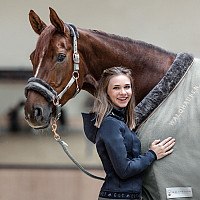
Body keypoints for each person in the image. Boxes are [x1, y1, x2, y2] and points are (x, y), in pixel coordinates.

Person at [82, 66, 175, 200]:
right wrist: (153, 154)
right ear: (106, 92)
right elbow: (124, 170)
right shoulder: (110, 124)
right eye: (116, 88)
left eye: (127, 87)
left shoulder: (121, 121)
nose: (123, 92)